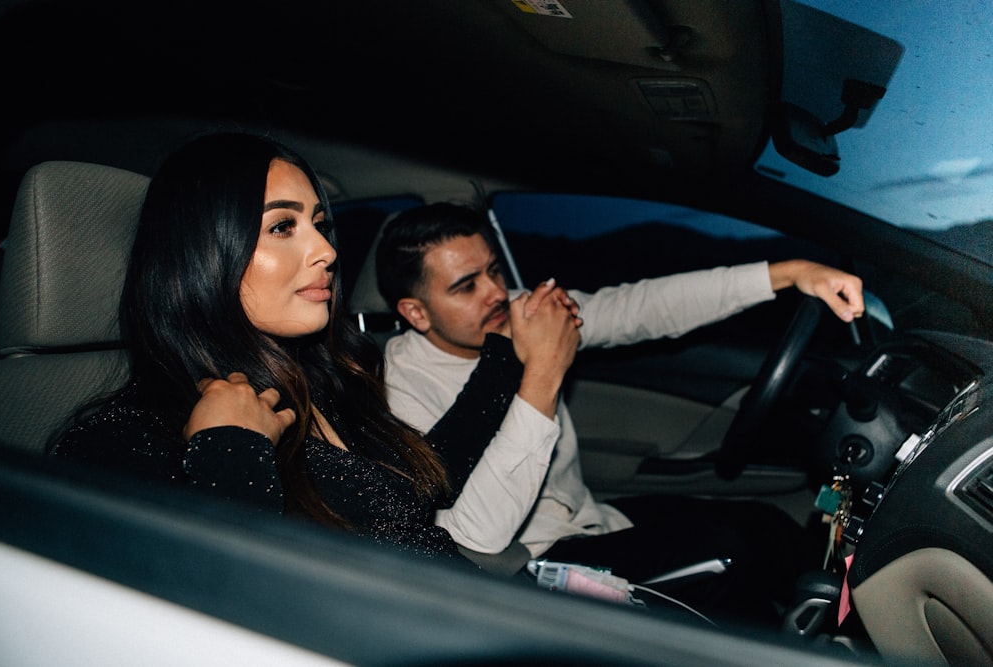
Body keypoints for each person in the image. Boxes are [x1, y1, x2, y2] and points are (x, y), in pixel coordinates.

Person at [50, 132, 580, 568]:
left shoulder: (322, 382)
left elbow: (425, 484)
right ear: (203, 255)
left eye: (320, 225)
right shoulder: (119, 440)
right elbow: (220, 608)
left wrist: (511, 357)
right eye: (283, 226)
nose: (326, 250)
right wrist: (230, 450)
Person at [375, 202, 866, 626]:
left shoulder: (518, 315)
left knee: (765, 526)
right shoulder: (399, 394)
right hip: (525, 565)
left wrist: (789, 273)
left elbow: (638, 307)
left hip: (590, 521)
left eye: (495, 271)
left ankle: (852, 618)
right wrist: (543, 371)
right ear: (417, 313)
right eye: (466, 286)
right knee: (733, 557)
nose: (497, 293)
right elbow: (475, 539)